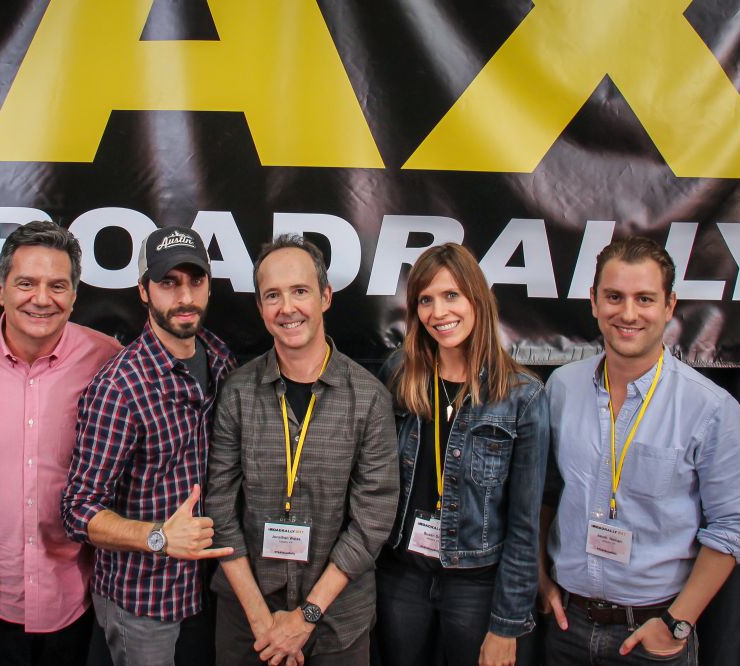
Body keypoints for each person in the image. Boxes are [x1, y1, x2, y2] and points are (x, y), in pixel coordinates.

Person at [539, 236, 740, 665]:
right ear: (593, 301)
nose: (628, 313)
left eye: (645, 299)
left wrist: (677, 623)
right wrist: (540, 578)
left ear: (669, 305)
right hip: (567, 628)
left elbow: (733, 528)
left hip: (653, 636)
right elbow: (547, 490)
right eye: (614, 297)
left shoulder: (711, 410)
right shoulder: (561, 387)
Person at [206, 234, 399, 666]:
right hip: (246, 620)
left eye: (300, 291)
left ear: (325, 296)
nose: (287, 308)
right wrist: (261, 619)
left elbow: (374, 516)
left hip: (336, 622)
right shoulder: (237, 392)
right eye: (272, 295)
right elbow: (218, 506)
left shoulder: (368, 398)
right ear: (260, 308)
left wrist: (306, 616)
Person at [0, 221, 122, 665]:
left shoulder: (107, 360)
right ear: (1, 289)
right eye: (26, 283)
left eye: (57, 285)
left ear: (75, 295)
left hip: (74, 601)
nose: (42, 299)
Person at [61, 226, 237, 666]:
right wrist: (158, 536)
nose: (184, 297)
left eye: (195, 281)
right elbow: (77, 510)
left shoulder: (219, 358)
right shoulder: (119, 387)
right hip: (145, 602)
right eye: (168, 283)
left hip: (211, 589)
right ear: (143, 291)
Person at [373, 242, 548, 666]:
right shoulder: (399, 374)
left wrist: (508, 624)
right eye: (425, 300)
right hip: (402, 575)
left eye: (451, 295)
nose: (438, 312)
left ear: (477, 299)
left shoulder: (522, 397)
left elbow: (526, 525)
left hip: (477, 583)